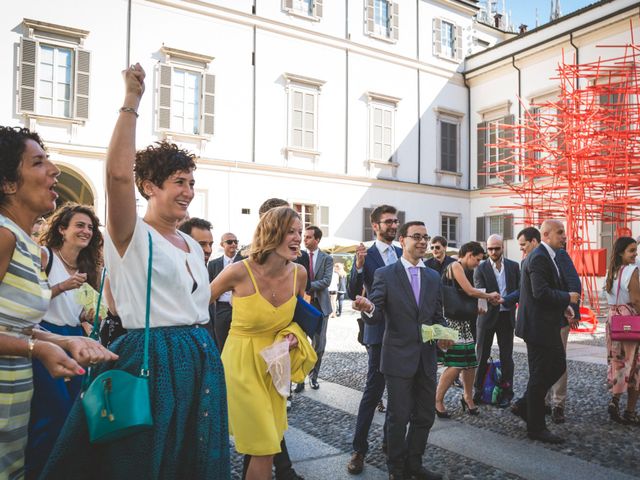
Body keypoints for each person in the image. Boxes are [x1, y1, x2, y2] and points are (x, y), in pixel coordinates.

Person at [42, 63, 230, 478]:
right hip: (155, 359)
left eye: (191, 182)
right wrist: (132, 100)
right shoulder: (131, 235)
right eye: (179, 182)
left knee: (193, 461)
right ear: (150, 187)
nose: (188, 191)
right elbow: (115, 176)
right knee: (147, 460)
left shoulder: (191, 245)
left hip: (200, 358)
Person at [0, 126, 115, 480]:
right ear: (8, 183)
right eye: (38, 162)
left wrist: (65, 341)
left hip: (14, 400)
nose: (54, 170)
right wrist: (37, 349)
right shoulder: (3, 235)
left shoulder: (23, 242)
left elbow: (12, 324)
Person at [212, 206, 316, 480]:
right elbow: (195, 306)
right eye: (290, 232)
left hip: (276, 364)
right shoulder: (238, 271)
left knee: (267, 445)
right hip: (242, 366)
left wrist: (292, 334)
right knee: (264, 445)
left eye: (299, 232)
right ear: (271, 234)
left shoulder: (300, 274)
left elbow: (301, 314)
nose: (297, 238)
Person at [353, 221, 452, 480]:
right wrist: (368, 308)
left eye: (425, 237)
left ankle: (414, 464)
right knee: (398, 418)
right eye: (416, 237)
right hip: (397, 358)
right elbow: (376, 314)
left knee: (425, 415)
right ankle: (396, 470)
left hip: (427, 358)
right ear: (402, 240)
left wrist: (443, 335)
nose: (422, 242)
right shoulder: (386, 274)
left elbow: (437, 315)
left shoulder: (433, 275)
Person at [26, 203, 104, 479]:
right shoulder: (45, 256)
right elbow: (28, 300)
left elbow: (78, 310)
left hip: (75, 337)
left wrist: (89, 313)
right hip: (46, 336)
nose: (86, 231)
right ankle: (39, 471)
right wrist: (62, 286)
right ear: (62, 229)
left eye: (90, 228)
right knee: (52, 411)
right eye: (79, 226)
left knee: (74, 412)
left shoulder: (86, 267)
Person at [511, 220, 580, 444]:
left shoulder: (549, 255)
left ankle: (525, 406)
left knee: (552, 367)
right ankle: (536, 426)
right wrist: (567, 298)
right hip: (538, 326)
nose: (564, 236)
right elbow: (540, 293)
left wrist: (566, 307)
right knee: (544, 372)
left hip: (544, 323)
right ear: (546, 234)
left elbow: (547, 289)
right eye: (560, 232)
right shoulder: (540, 256)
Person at [346, 204, 401, 475]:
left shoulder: (403, 253)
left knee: (400, 394)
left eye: (395, 221)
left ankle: (390, 443)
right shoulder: (364, 255)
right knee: (373, 392)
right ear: (375, 226)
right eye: (388, 221)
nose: (393, 225)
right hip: (378, 333)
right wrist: (357, 267)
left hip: (404, 334)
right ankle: (358, 450)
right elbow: (352, 292)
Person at [435, 241, 500, 417]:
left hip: (463, 321)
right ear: (469, 254)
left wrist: (481, 302)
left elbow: (469, 294)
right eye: (477, 259)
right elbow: (470, 291)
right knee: (455, 364)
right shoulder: (455, 265)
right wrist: (489, 296)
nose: (478, 264)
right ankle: (438, 401)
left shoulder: (466, 270)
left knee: (470, 363)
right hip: (449, 322)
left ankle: (468, 397)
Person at [473, 234, 520, 408]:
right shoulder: (481, 268)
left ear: (502, 248)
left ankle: (507, 392)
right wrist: (491, 299)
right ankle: (478, 390)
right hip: (486, 317)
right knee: (482, 355)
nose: (493, 251)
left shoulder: (514, 267)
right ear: (486, 248)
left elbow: (520, 289)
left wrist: (505, 300)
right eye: (490, 248)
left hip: (506, 316)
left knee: (507, 357)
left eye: (496, 248)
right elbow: (479, 290)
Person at [603, 236, 640, 425]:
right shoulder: (632, 271)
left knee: (618, 363)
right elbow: (636, 300)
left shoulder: (612, 271)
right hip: (630, 320)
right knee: (635, 365)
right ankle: (630, 411)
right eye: (631, 251)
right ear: (621, 253)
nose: (635, 254)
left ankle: (614, 401)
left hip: (613, 320)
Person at [295, 225, 333, 392]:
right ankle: (299, 379)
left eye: (309, 237)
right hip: (302, 303)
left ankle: (314, 376)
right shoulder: (298, 256)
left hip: (320, 305)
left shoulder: (327, 258)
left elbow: (326, 281)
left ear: (317, 239)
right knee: (300, 342)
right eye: (304, 236)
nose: (305, 239)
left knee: (319, 345)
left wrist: (307, 285)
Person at [208, 232, 242, 351]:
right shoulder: (213, 264)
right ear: (222, 244)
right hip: (222, 309)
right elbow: (210, 286)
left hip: (241, 308)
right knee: (221, 342)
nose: (233, 244)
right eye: (229, 242)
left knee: (240, 344)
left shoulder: (245, 262)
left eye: (235, 241)